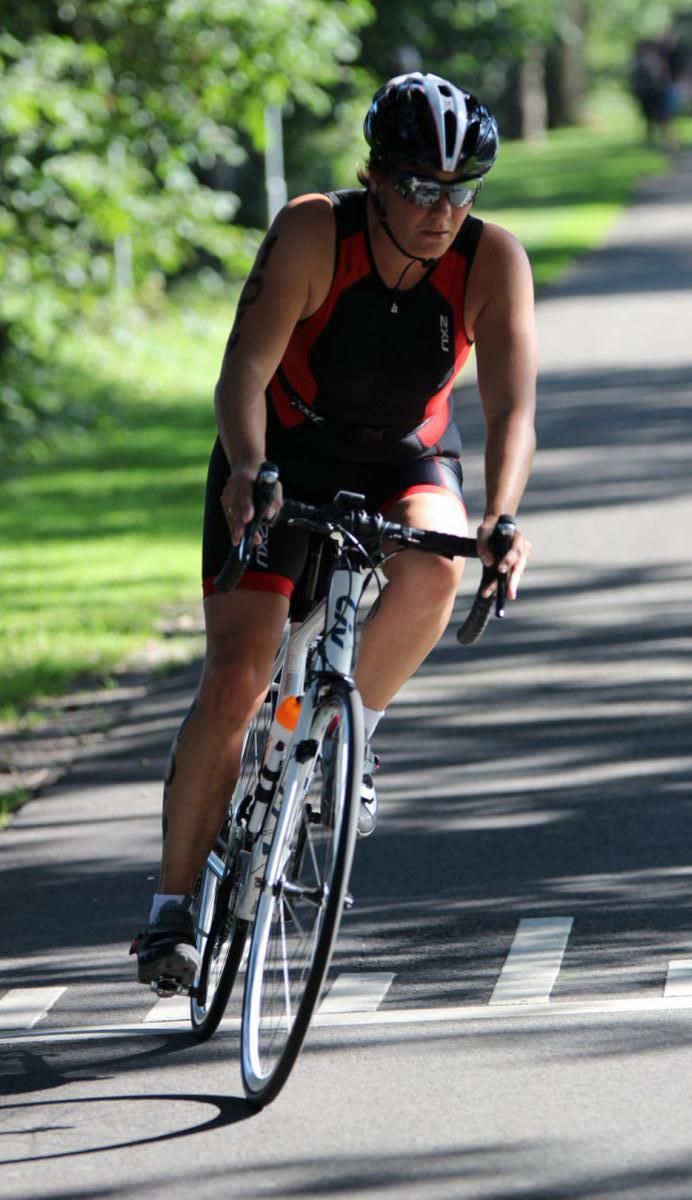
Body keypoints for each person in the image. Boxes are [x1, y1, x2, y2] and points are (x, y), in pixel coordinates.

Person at [131, 72, 537, 989]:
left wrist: (502, 515)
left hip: (405, 456)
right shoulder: (316, 229)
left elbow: (513, 408)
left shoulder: (492, 260)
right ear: (376, 176)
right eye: (420, 187)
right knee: (238, 676)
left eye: (462, 189)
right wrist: (248, 468)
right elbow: (244, 368)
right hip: (280, 454)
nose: (442, 210)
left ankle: (354, 737)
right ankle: (171, 908)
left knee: (436, 564)